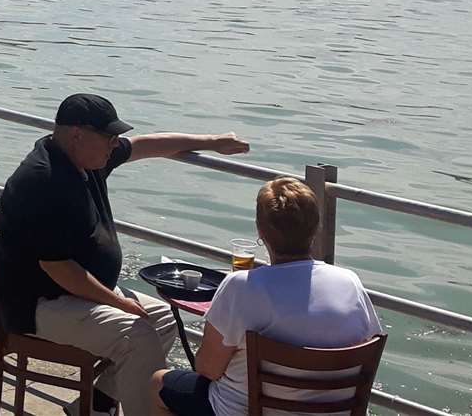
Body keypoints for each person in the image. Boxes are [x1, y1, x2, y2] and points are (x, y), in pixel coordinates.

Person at [0, 94, 250, 416]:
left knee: (165, 319)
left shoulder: (87, 157)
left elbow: (144, 145)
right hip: (38, 304)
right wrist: (119, 303)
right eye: (110, 138)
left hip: (75, 293)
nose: (116, 144)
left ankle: (94, 405)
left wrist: (213, 142)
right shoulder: (44, 180)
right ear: (77, 135)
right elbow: (59, 269)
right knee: (137, 335)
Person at [152, 178, 383, 416]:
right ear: (316, 229)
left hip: (246, 411)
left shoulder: (242, 286)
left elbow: (208, 369)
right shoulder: (349, 282)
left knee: (159, 382)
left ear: (261, 232)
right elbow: (367, 344)